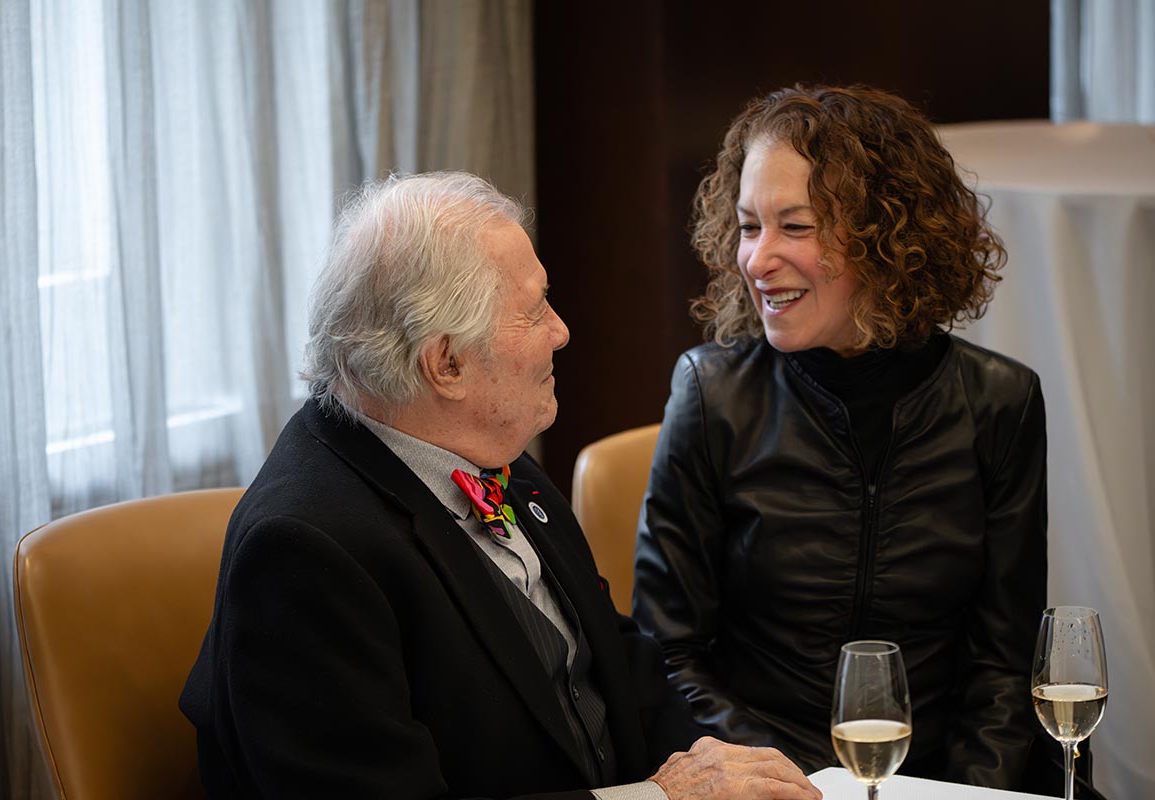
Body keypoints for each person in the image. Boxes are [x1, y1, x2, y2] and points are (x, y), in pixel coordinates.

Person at [179, 171, 821, 800]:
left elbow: (620, 668)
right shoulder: (301, 555)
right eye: (534, 310)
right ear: (446, 363)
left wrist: (747, 777)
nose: (561, 331)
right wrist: (660, 798)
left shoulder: (486, 454)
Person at [632, 85, 1048, 789]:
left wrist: (970, 795)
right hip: (770, 783)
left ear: (888, 238)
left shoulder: (998, 402)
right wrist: (795, 787)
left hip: (940, 781)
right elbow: (667, 656)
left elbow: (1002, 671)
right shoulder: (713, 395)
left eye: (795, 227)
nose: (757, 260)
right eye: (748, 226)